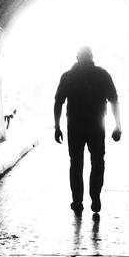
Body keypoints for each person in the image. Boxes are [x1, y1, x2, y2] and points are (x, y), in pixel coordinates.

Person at [53, 46, 122, 214]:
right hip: (97, 126)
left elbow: (58, 102)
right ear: (92, 57)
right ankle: (95, 196)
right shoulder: (102, 75)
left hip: (75, 126)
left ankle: (77, 200)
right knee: (98, 162)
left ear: (77, 57)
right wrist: (118, 125)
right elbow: (114, 100)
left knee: (76, 164)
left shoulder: (69, 76)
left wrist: (57, 127)